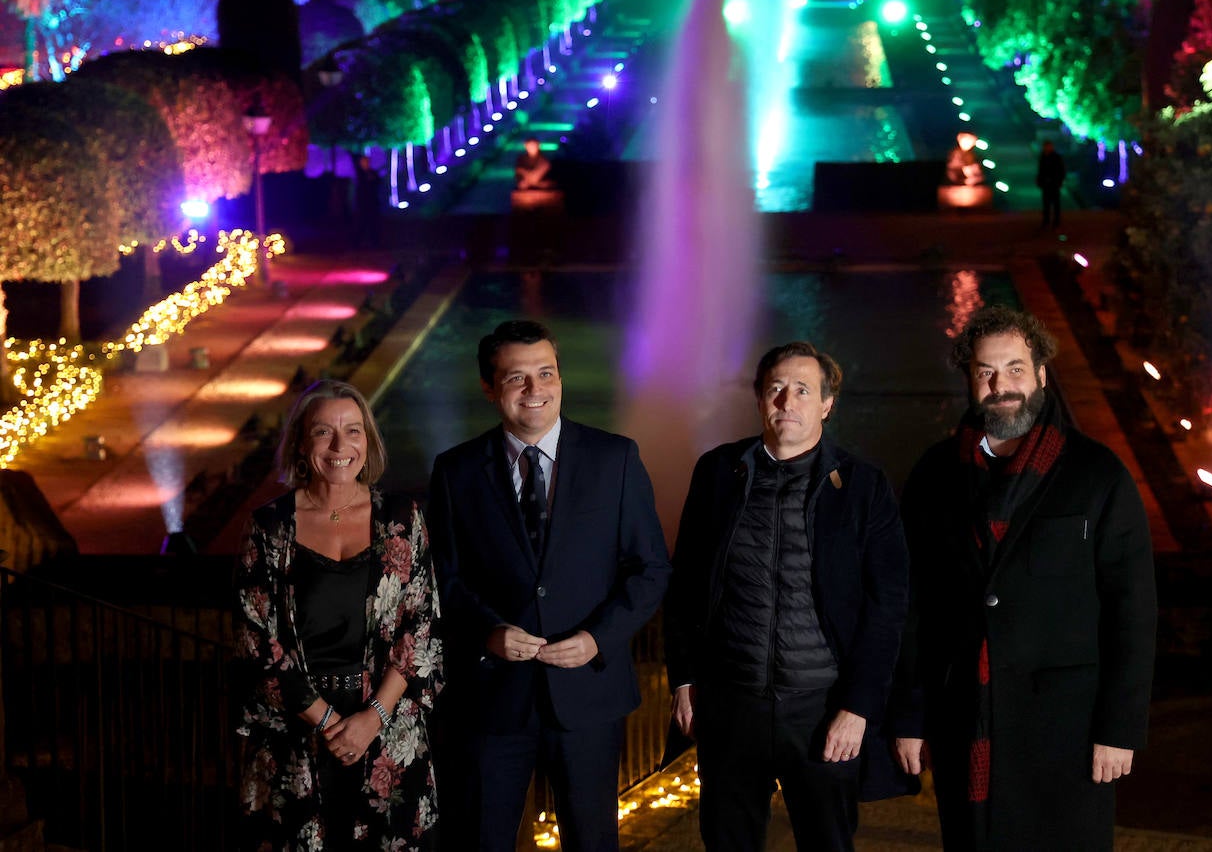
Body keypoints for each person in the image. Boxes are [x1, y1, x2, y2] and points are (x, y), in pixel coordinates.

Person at [891, 305, 1156, 851]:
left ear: (1040, 374)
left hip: (1068, 731)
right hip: (964, 719)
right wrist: (911, 716)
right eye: (986, 371)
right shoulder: (934, 475)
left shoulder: (1097, 475)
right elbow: (911, 608)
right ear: (969, 379)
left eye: (1015, 368)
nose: (1000, 385)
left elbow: (1133, 609)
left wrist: (1119, 729)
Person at [428, 319, 670, 852]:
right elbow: (441, 577)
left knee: (591, 840)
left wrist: (597, 638)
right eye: (517, 378)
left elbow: (650, 569)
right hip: (491, 698)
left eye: (546, 374)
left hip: (587, 695)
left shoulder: (616, 459)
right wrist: (488, 633)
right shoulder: (456, 471)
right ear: (490, 388)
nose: (535, 390)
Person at [664, 342, 908, 852]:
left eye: (803, 390)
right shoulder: (717, 472)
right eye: (776, 389)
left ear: (826, 404)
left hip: (821, 712)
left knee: (828, 843)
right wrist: (684, 678)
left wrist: (858, 709)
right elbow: (685, 583)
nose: (787, 402)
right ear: (759, 399)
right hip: (731, 706)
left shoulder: (864, 486)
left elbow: (888, 607)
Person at [233, 379, 444, 850]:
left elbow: (421, 628)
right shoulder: (268, 527)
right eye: (323, 432)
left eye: (352, 431)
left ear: (367, 441)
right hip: (297, 738)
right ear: (301, 444)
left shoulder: (402, 518)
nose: (339, 445)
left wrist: (373, 717)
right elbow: (256, 643)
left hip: (389, 736)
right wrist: (328, 722)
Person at [1036, 139, 1066, 228]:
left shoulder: (1055, 157)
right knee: (1046, 204)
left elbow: (1061, 170)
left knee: (1055, 203)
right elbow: (1041, 170)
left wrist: (1059, 181)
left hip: (1054, 183)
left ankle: (1055, 221)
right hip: (1046, 184)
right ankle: (1047, 221)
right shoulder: (1043, 157)